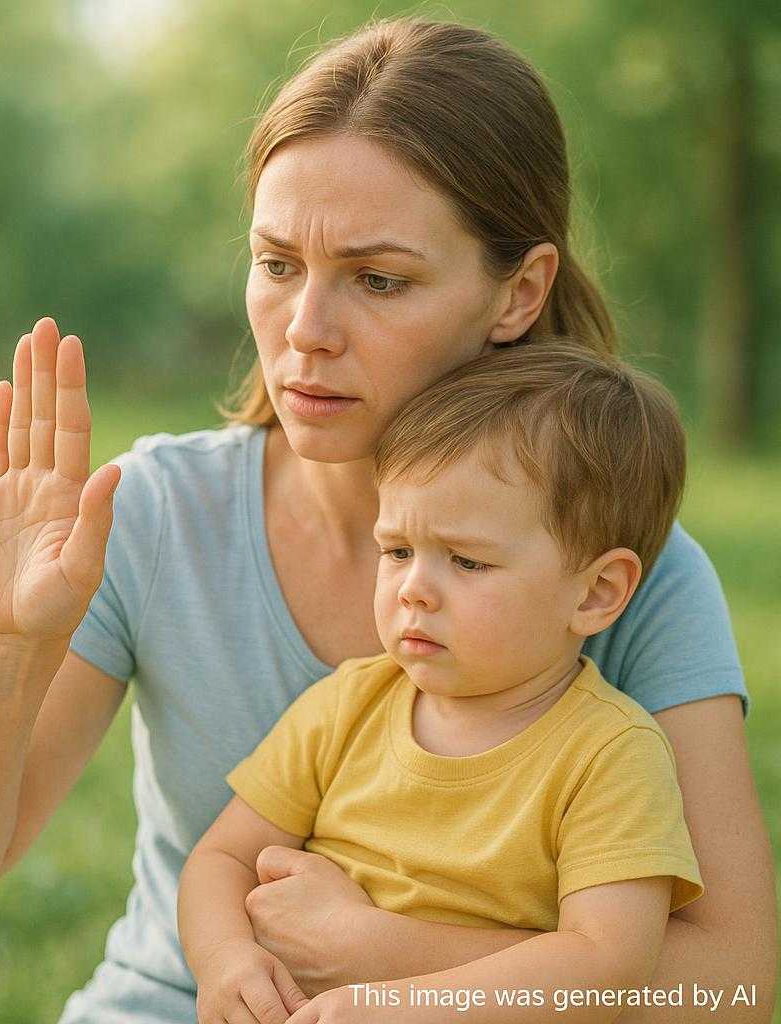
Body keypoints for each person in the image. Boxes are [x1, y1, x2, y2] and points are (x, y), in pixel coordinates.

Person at [0, 16, 775, 1024]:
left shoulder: (626, 577)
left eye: (377, 279)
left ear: (518, 293)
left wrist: (386, 953)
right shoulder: (153, 517)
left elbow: (734, 985)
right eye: (276, 265)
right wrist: (13, 646)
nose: (305, 334)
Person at [178, 341, 704, 1024]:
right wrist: (225, 960)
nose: (414, 591)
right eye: (397, 551)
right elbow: (220, 857)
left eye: (467, 561)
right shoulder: (348, 705)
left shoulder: (611, 754)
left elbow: (605, 963)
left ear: (597, 593)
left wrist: (397, 1003)